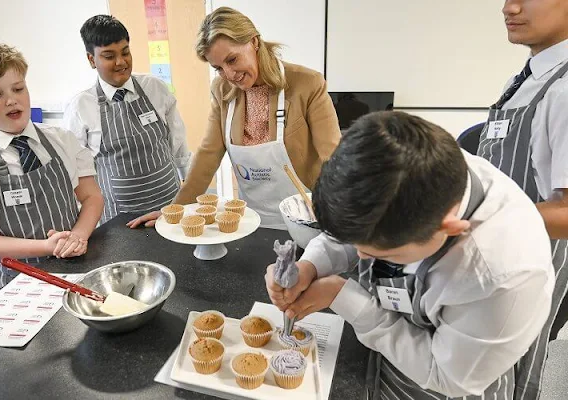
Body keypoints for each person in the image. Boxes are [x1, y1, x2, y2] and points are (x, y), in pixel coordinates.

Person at [266, 111, 554, 399]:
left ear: (449, 228)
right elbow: (357, 229)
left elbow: (446, 376)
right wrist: (311, 265)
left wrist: (342, 296)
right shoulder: (411, 166)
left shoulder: (502, 276)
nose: (360, 256)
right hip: (384, 347)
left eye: (380, 253)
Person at [128, 7, 341, 230]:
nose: (229, 75)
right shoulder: (222, 90)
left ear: (254, 42)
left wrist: (349, 215)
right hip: (252, 221)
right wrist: (176, 210)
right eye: (218, 68)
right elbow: (207, 156)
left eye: (232, 60)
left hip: (308, 217)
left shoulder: (306, 84)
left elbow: (333, 157)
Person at [0, 42, 104, 292]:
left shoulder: (61, 139)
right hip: (18, 282)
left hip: (77, 263)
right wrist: (46, 246)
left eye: (18, 88)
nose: (12, 100)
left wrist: (78, 236)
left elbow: (91, 196)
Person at [477, 1, 568, 398]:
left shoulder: (565, 89)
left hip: (532, 269)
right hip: (494, 259)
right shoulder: (528, 78)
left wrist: (475, 219)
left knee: (514, 374)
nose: (508, 7)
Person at [63, 15, 190, 224]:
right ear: (91, 60)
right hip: (118, 219)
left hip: (170, 208)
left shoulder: (154, 88)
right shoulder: (80, 107)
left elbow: (178, 142)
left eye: (125, 52)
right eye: (109, 56)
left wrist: (189, 189)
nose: (121, 62)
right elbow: (74, 171)